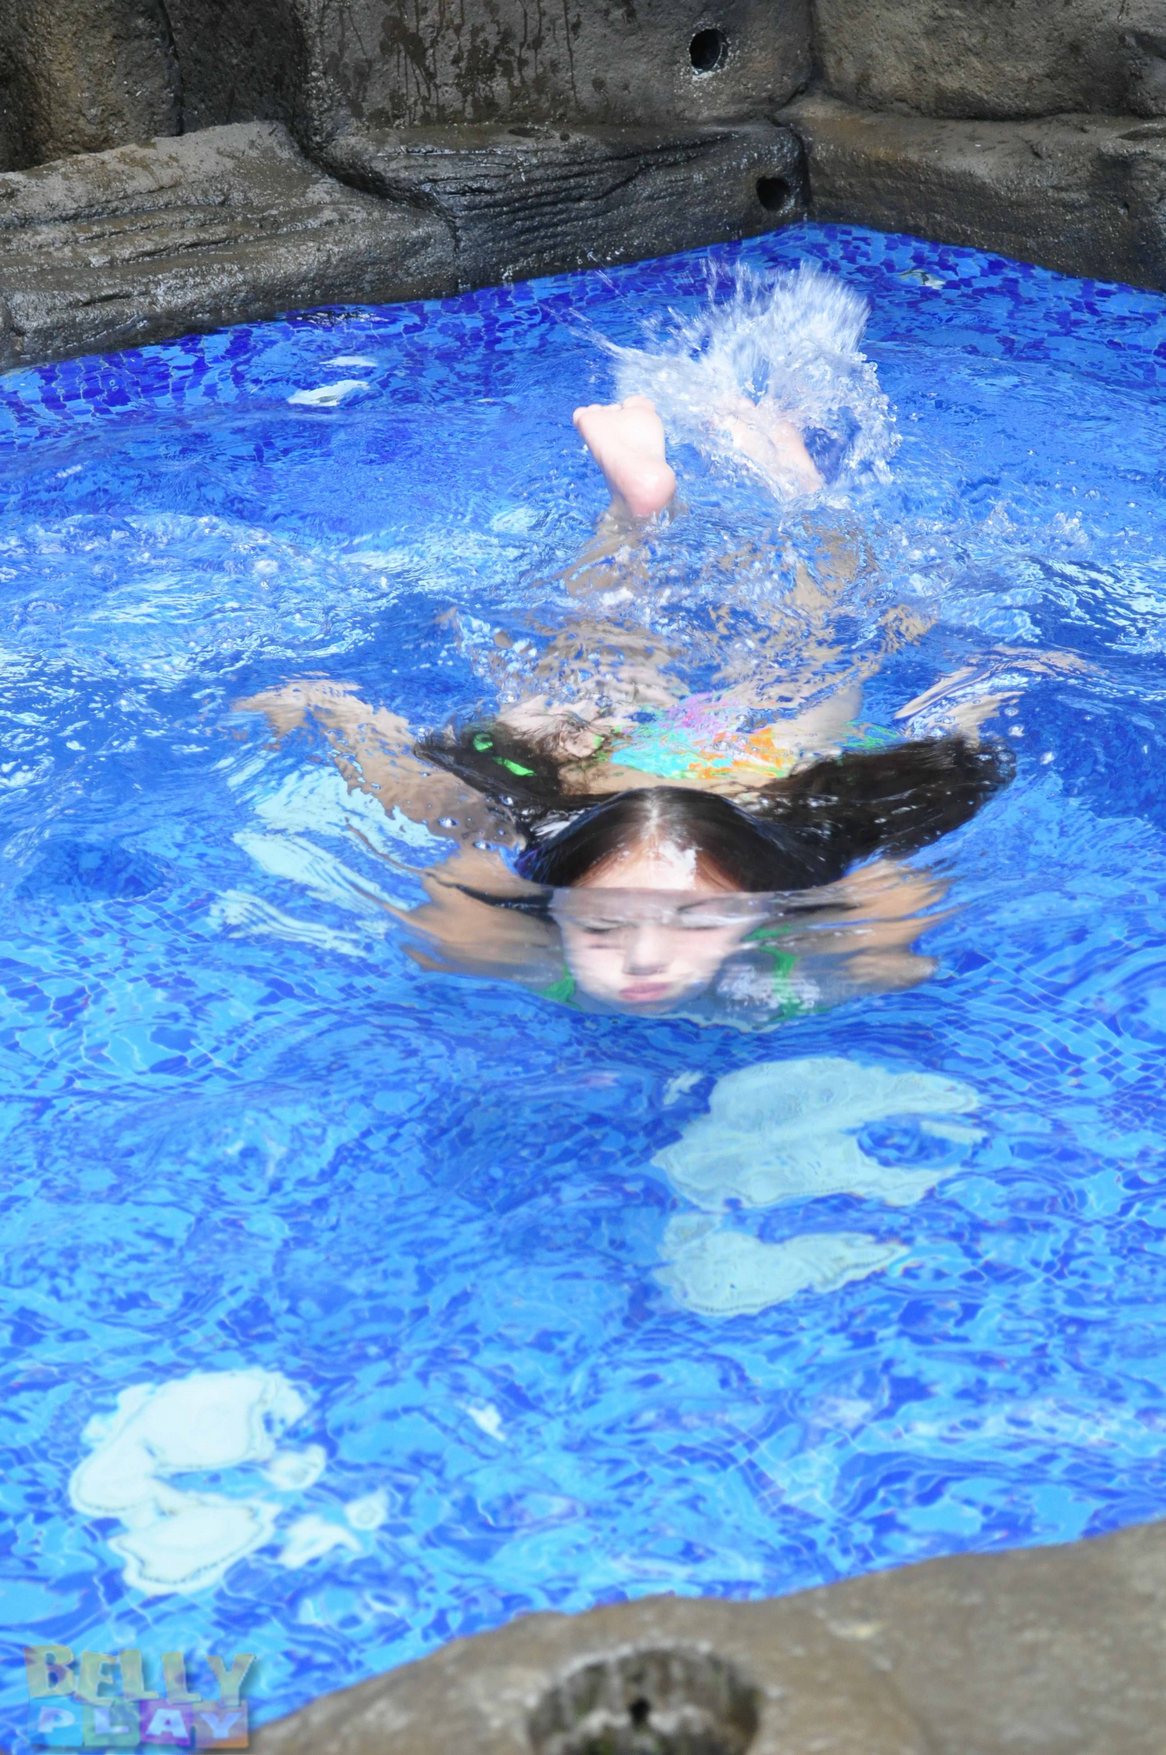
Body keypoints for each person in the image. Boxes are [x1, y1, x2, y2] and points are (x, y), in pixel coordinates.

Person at [241, 394, 1012, 1017]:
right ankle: (767, 488)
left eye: (696, 921)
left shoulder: (507, 899)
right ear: (558, 901)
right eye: (603, 926)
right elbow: (902, 900)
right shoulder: (807, 875)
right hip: (738, 782)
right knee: (785, 663)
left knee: (722, 668)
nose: (645, 958)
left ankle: (673, 501)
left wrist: (324, 702)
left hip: (617, 795)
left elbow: (404, 787)